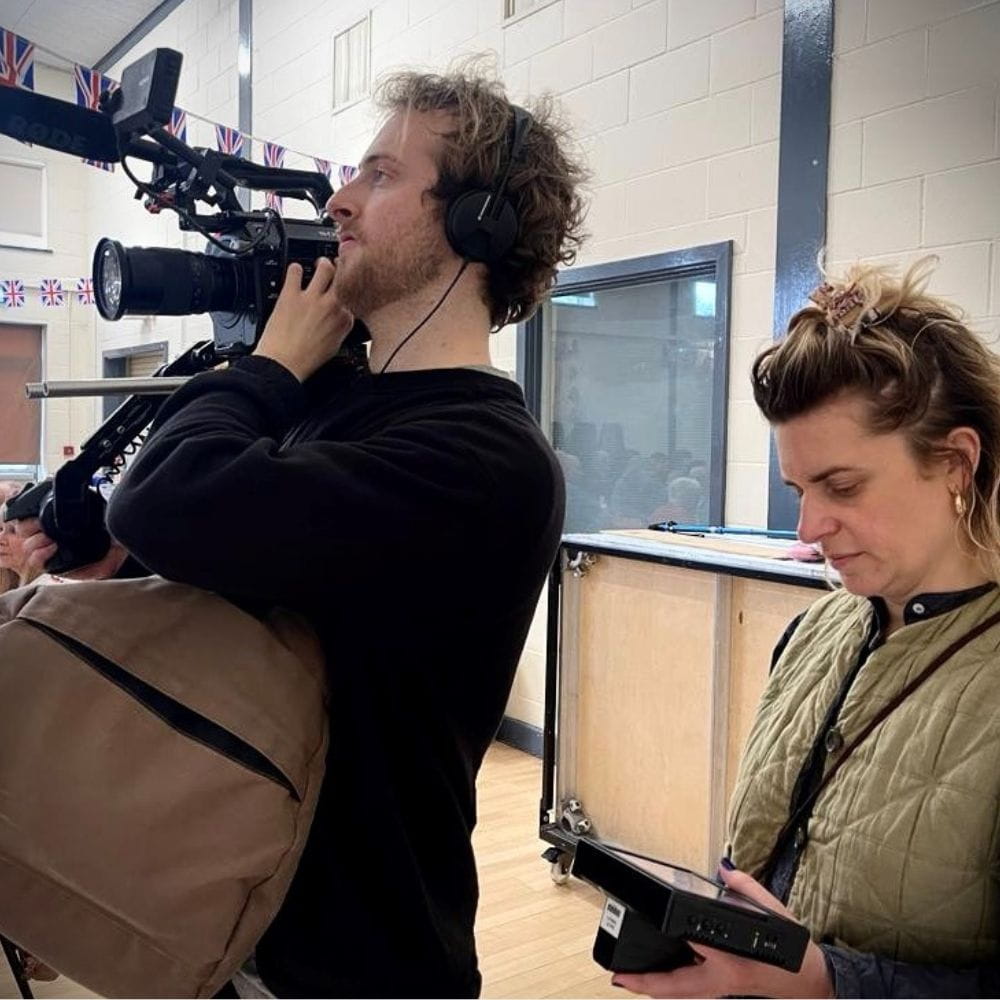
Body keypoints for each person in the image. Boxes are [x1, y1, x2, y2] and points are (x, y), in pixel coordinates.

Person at [21, 66, 585, 998]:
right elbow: (162, 537)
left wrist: (273, 363)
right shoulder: (338, 401)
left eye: (378, 175)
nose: (339, 200)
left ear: (475, 222)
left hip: (355, 963)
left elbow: (164, 504)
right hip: (233, 924)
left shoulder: (482, 458)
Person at [613, 259, 1000, 998]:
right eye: (798, 489)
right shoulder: (814, 633)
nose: (810, 527)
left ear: (955, 462)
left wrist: (828, 984)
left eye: (842, 487)